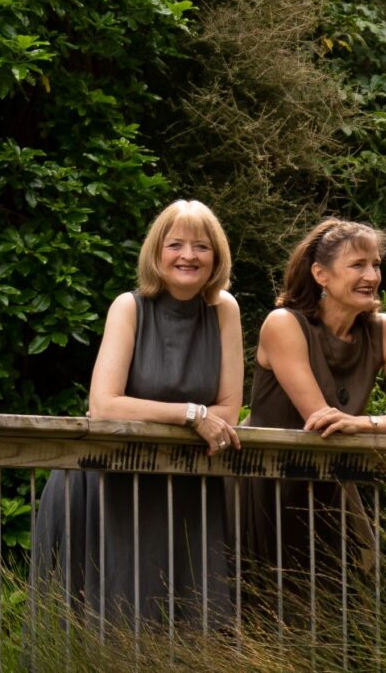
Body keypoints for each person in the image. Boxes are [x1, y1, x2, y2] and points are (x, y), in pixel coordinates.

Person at [33, 199, 243, 627]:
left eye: (202, 246)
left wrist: (201, 416)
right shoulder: (129, 307)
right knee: (103, 618)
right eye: (176, 244)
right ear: (156, 252)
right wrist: (189, 414)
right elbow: (104, 404)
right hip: (107, 484)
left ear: (216, 257)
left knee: (186, 622)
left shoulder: (225, 310)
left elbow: (228, 411)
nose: (188, 255)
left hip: (184, 488)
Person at [240, 217, 386, 587]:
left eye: (375, 264)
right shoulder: (284, 324)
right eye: (357, 265)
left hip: (331, 486)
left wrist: (364, 423)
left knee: (340, 617)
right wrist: (358, 423)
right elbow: (320, 419)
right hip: (268, 487)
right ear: (320, 274)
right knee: (261, 609)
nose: (371, 276)